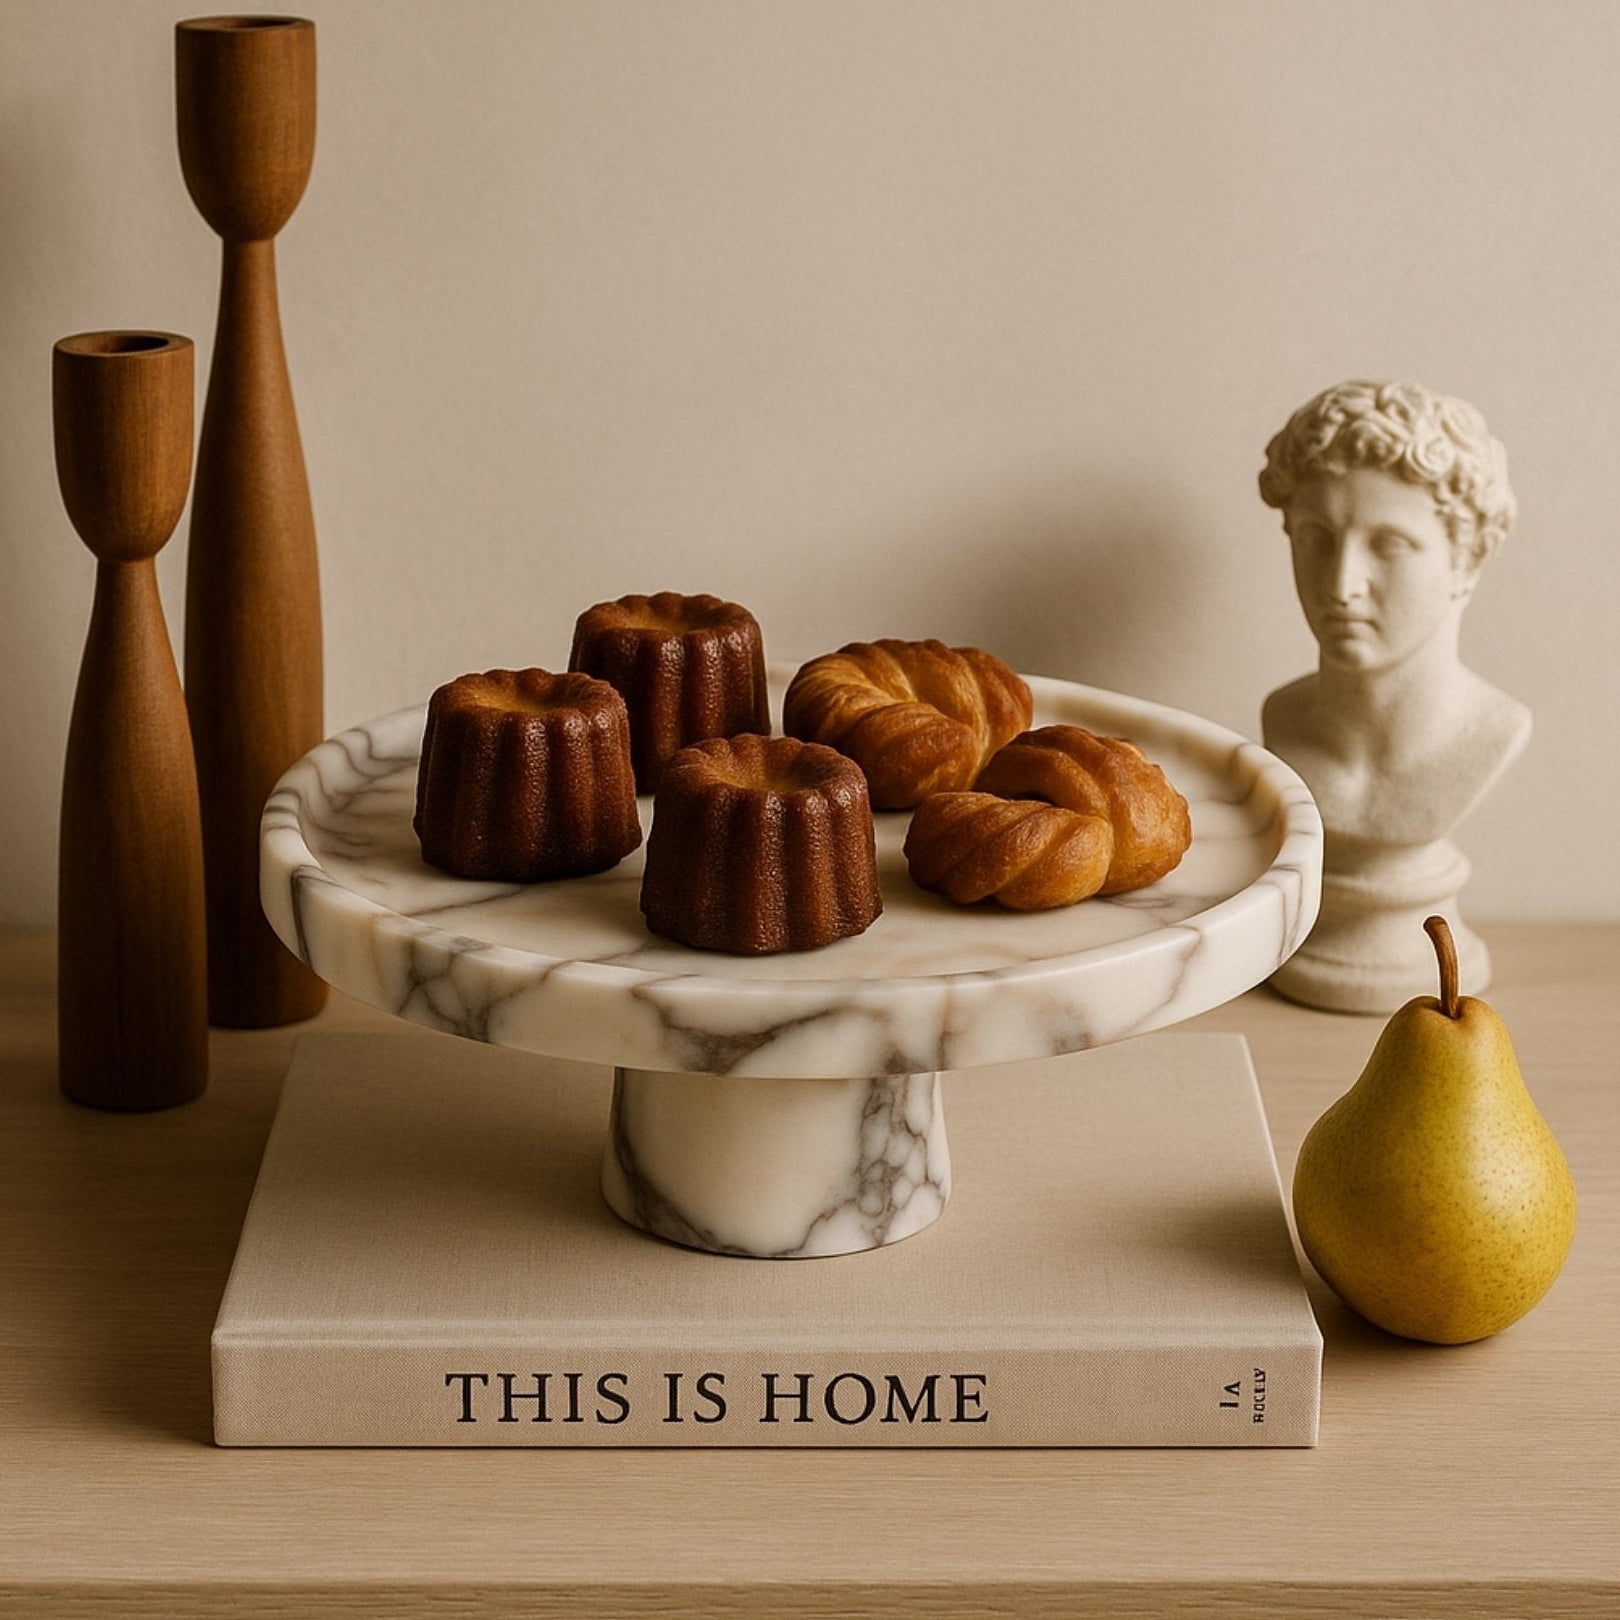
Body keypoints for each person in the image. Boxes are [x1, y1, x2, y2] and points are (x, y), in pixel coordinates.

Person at [1258, 379, 1529, 1010]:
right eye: (1315, 540)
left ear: (1468, 559)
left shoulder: (1495, 731)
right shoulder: (1284, 719)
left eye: (1389, 546)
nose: (1342, 584)